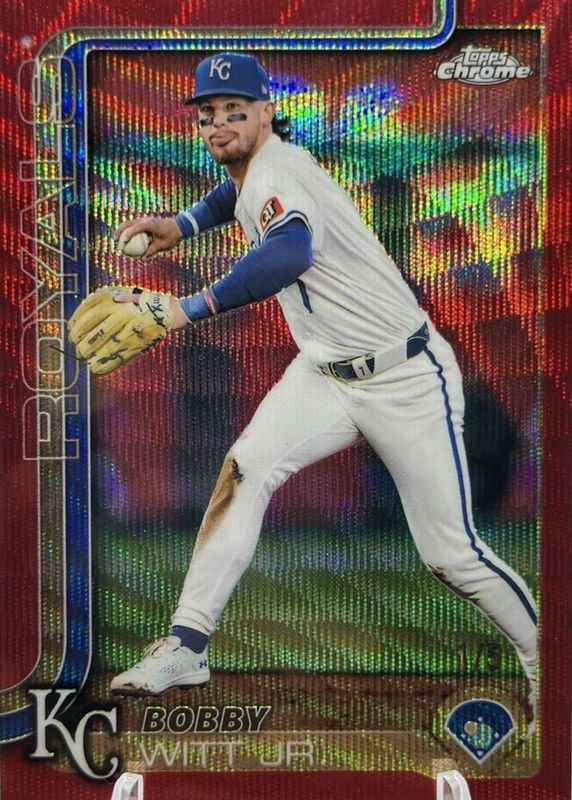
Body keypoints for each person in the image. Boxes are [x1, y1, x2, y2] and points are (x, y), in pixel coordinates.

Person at [109, 53, 537, 734]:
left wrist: (184, 309)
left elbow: (288, 255)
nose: (220, 124)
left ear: (266, 113)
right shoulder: (258, 169)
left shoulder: (281, 169)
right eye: (209, 114)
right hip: (323, 374)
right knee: (243, 473)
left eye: (235, 111)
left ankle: (547, 661)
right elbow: (234, 196)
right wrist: (183, 224)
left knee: (452, 556)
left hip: (405, 377)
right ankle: (186, 645)